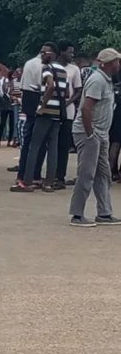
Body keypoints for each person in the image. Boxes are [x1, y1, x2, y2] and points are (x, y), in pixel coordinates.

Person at [69, 49, 121, 226]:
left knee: (103, 174)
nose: (118, 64)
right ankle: (77, 214)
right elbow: (86, 108)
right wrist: (90, 134)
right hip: (89, 132)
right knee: (87, 173)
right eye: (115, 61)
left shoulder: (106, 80)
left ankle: (104, 213)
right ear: (106, 63)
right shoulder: (97, 80)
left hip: (100, 133)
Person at [12, 42, 67, 193]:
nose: (42, 55)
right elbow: (66, 92)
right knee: (53, 148)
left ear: (52, 55)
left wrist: (42, 105)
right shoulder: (63, 70)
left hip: (46, 112)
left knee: (33, 146)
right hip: (57, 113)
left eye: (45, 53)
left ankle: (27, 181)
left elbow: (50, 86)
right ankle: (49, 183)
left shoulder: (46, 68)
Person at [14, 47, 44, 179]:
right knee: (39, 143)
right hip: (39, 103)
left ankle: (23, 173)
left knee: (27, 141)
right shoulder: (45, 66)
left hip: (28, 103)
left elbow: (22, 87)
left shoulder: (28, 63)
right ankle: (34, 174)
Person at [56, 41, 82, 189]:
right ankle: (51, 175)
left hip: (68, 111)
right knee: (52, 144)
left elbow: (78, 90)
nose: (72, 55)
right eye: (69, 52)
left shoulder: (74, 69)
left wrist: (67, 102)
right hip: (52, 110)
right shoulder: (53, 67)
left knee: (64, 144)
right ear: (62, 52)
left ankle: (60, 176)